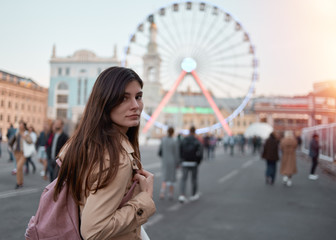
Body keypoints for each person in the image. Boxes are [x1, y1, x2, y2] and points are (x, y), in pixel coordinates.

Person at [54, 66, 155, 239]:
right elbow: (94, 231)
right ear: (105, 101)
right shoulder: (116, 158)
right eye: (124, 98)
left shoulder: (83, 144)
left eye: (138, 97)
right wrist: (144, 199)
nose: (135, 106)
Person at [178, 126, 203, 203]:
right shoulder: (196, 141)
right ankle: (193, 194)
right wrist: (197, 161)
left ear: (189, 131)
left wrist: (181, 160)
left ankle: (182, 195)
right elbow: (200, 153)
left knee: (183, 179)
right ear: (195, 132)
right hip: (193, 162)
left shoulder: (184, 140)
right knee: (194, 179)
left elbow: (180, 150)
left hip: (185, 162)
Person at [158, 127, 180, 200]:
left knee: (165, 177)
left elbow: (160, 151)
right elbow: (176, 153)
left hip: (165, 160)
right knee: (172, 178)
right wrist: (177, 163)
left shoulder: (163, 140)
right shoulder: (175, 140)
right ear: (173, 132)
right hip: (172, 161)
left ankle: (162, 193)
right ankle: (170, 194)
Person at [10, 120, 32, 189]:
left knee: (19, 167)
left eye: (21, 125)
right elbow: (14, 141)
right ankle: (21, 182)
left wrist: (25, 137)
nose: (20, 126)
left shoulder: (26, 133)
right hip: (17, 152)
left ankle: (18, 183)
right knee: (19, 169)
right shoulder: (17, 132)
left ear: (24, 126)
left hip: (23, 153)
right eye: (19, 125)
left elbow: (30, 141)